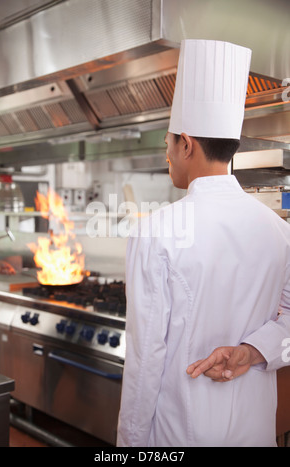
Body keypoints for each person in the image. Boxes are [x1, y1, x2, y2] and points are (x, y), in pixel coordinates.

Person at [116, 39, 290, 447]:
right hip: (255, 431)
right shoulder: (278, 229)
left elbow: (145, 364)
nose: (168, 156)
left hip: (181, 432)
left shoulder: (155, 231)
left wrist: (129, 446)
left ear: (187, 143)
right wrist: (252, 351)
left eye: (168, 145)